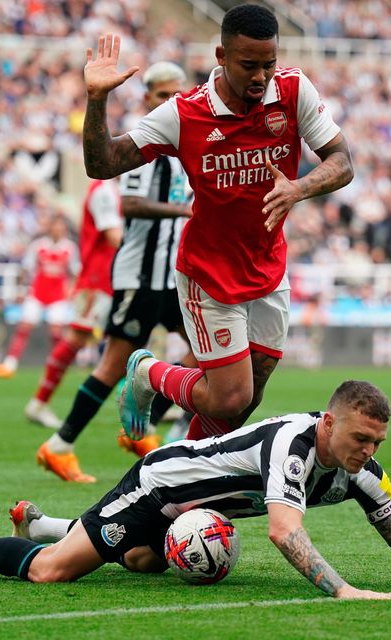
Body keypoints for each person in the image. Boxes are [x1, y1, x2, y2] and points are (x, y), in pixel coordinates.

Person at [0, 380, 391, 599]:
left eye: (377, 441)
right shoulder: (294, 445)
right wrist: (342, 591)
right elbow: (284, 531)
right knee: (53, 572)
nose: (369, 451)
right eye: (360, 438)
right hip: (161, 487)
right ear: (329, 423)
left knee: (143, 561)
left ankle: (49, 524)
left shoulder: (362, 469)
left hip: (189, 511)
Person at [81, 4, 354, 441]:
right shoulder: (184, 113)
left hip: (267, 266)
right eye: (249, 65)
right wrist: (97, 100)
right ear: (220, 56)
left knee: (248, 397)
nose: (260, 77)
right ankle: (149, 373)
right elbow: (103, 163)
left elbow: (342, 162)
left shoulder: (292, 90)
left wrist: (299, 188)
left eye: (269, 64)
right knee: (229, 396)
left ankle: (183, 482)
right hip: (208, 272)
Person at [33, 61, 199, 482]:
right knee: (111, 367)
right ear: (147, 99)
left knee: (209, 350)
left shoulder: (181, 144)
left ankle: (141, 426)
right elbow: (128, 204)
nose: (172, 102)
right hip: (138, 278)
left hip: (170, 278)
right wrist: (184, 210)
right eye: (163, 95)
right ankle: (60, 445)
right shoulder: (143, 143)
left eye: (177, 94)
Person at [20, 177, 123, 424]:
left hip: (111, 275)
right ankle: (39, 401)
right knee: (78, 337)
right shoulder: (104, 190)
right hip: (98, 278)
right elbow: (113, 237)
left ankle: (147, 405)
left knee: (123, 340)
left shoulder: (114, 189)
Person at [0, 215, 79, 378]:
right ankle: (10, 364)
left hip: (58, 296)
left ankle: (57, 365)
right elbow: (26, 269)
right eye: (55, 227)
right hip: (37, 293)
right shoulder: (38, 246)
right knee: (24, 327)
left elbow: (75, 272)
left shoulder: (70, 248)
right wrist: (21, 290)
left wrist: (72, 291)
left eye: (61, 228)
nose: (58, 230)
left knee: (56, 333)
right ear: (50, 228)